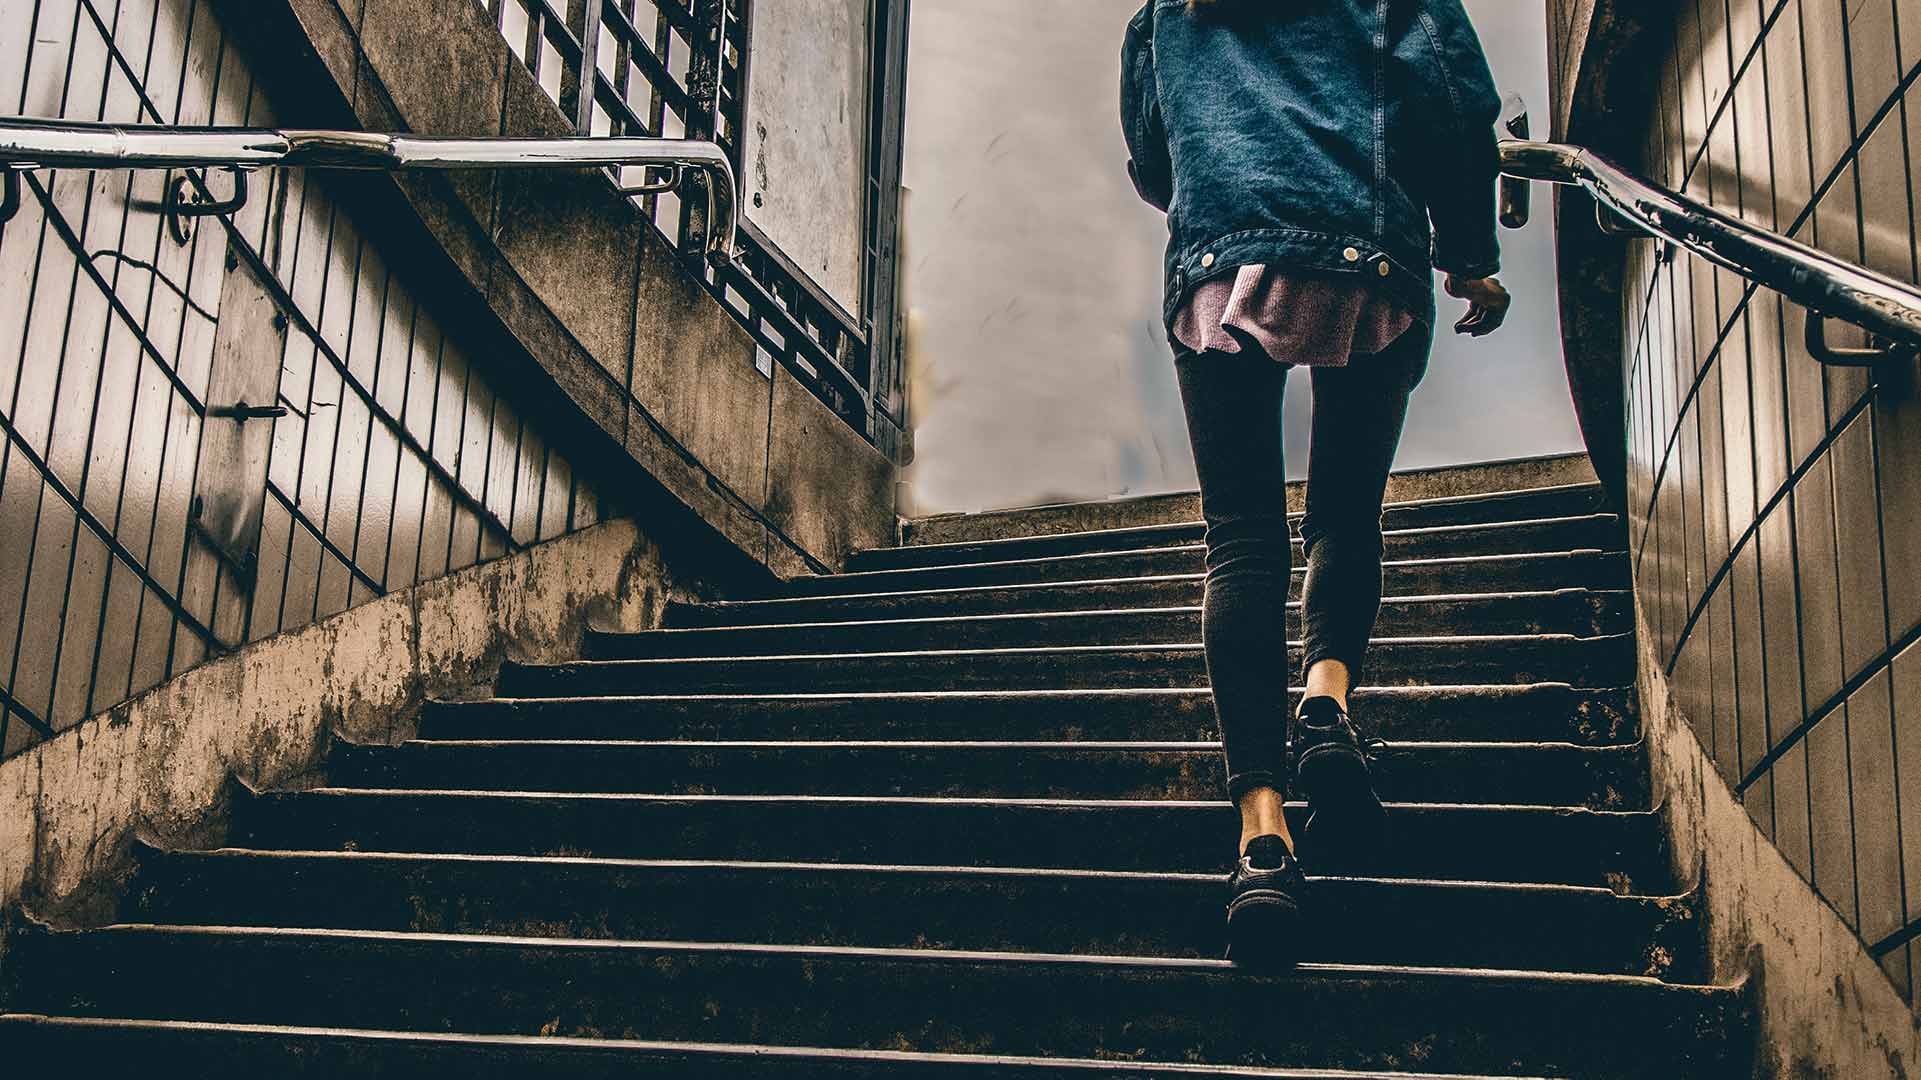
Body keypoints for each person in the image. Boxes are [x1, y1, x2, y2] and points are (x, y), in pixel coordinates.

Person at [1121, 0, 1512, 967]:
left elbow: (1149, 154)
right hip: (1363, 251)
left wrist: (1226, 174)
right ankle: (1326, 705)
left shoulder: (1165, 11)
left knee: (1241, 538)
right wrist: (1471, 258)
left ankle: (1260, 838)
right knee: (1344, 511)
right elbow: (1457, 107)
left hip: (1220, 263)